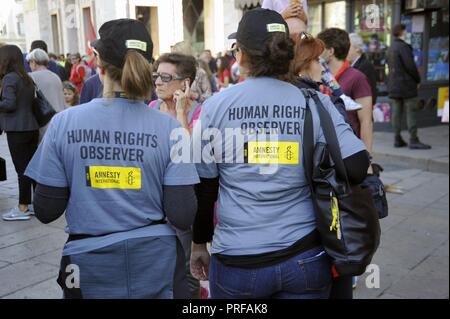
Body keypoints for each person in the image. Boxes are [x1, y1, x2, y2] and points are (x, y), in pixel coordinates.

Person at [190, 8, 370, 299]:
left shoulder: (215, 107)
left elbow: (205, 188)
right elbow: (358, 166)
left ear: (241, 54)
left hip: (238, 261)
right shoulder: (314, 101)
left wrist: (199, 244)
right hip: (305, 257)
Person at [24, 19, 199, 299]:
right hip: (156, 261)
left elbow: (46, 210)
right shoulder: (171, 129)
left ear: (98, 63)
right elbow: (182, 214)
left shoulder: (64, 123)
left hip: (86, 262)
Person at [149, 52, 202, 299]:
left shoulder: (200, 113)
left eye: (165, 77)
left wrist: (181, 115)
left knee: (186, 275)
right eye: (156, 75)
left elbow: (191, 156)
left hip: (184, 206)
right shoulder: (150, 108)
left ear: (185, 82)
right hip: (151, 206)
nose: (158, 82)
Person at [317, 28, 373, 159]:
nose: (317, 53)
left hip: (348, 151)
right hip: (326, 149)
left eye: (320, 48)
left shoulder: (357, 77)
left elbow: (366, 122)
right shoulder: (320, 76)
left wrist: (367, 160)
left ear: (330, 51)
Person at [0, 45, 40, 221]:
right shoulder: (26, 78)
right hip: (31, 127)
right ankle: (33, 204)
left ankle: (23, 207)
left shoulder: (9, 78)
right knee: (31, 167)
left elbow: (9, 104)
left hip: (17, 129)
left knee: (21, 169)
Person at [387, 24, 431, 150]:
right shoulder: (403, 47)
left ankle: (397, 138)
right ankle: (413, 139)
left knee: (396, 112)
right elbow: (410, 66)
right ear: (402, 32)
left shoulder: (391, 47)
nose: (406, 32)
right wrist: (418, 80)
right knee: (411, 111)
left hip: (394, 85)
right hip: (406, 85)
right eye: (405, 30)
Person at [28, 49, 66, 140]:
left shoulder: (31, 77)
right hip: (60, 119)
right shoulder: (55, 76)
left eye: (29, 62)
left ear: (33, 62)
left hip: (43, 121)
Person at [348, 33, 378, 106]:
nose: (344, 50)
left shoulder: (366, 66)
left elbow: (371, 94)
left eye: (348, 47)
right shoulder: (350, 65)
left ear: (357, 48)